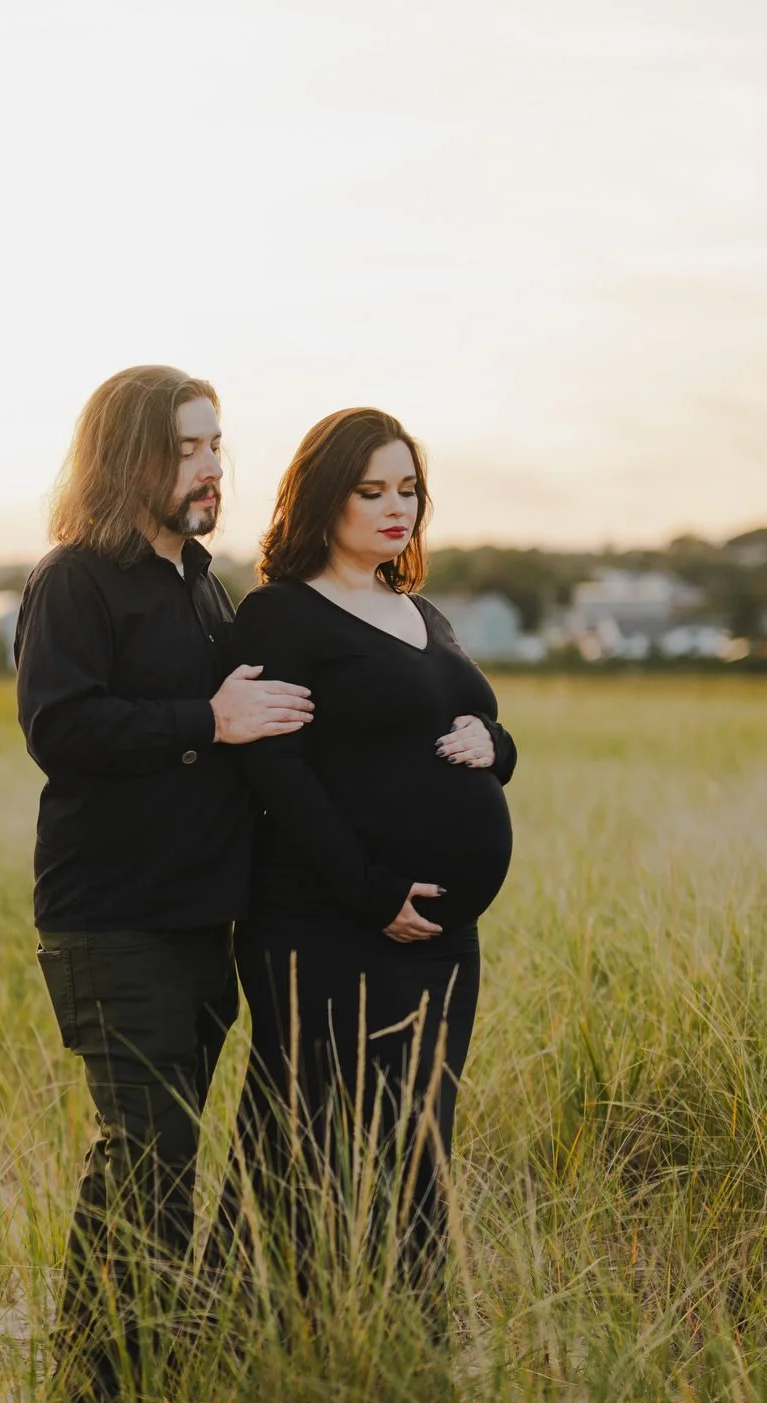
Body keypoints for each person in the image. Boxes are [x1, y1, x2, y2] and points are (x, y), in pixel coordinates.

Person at [14, 364, 312, 1402]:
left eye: (216, 444)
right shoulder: (74, 580)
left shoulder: (202, 583)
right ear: (126, 456)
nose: (210, 466)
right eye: (186, 447)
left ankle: (136, 1368)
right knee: (145, 1148)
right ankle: (99, 1395)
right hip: (113, 918)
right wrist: (205, 721)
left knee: (164, 1155)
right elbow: (58, 727)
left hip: (203, 919)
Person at [228, 406, 517, 1291]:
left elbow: (480, 727)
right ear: (323, 498)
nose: (398, 508)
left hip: (440, 943)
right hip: (329, 926)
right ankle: (264, 1347)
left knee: (419, 1145)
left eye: (409, 489)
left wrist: (497, 748)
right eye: (371, 491)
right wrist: (373, 894)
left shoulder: (416, 608)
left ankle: (404, 1345)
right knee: (304, 1145)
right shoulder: (280, 616)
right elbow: (279, 777)